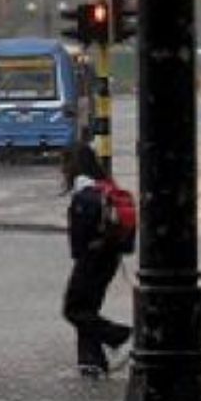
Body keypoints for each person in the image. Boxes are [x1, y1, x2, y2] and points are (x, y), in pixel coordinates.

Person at [61, 145, 132, 379]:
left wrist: (82, 253)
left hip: (93, 258)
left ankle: (122, 336)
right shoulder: (105, 186)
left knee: (73, 309)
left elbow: (79, 240)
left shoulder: (84, 193)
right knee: (87, 308)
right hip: (110, 257)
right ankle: (91, 362)